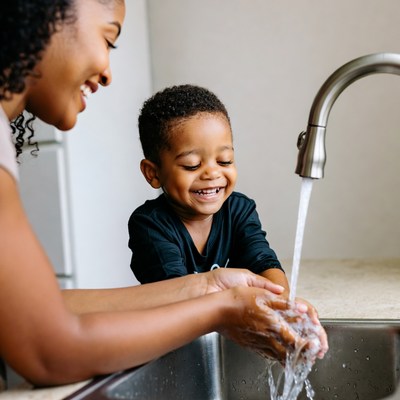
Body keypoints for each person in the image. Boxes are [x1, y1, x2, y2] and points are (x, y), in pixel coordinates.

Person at [0, 0, 328, 389]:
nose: (107, 73)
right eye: (109, 40)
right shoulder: (151, 223)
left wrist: (210, 288)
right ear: (42, 18)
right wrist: (220, 308)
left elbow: (41, 311)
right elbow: (47, 349)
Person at [129, 84, 289, 296]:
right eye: (192, 165)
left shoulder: (239, 210)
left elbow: (263, 261)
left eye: (224, 161)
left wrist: (281, 300)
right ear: (153, 173)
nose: (212, 174)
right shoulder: (150, 224)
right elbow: (175, 295)